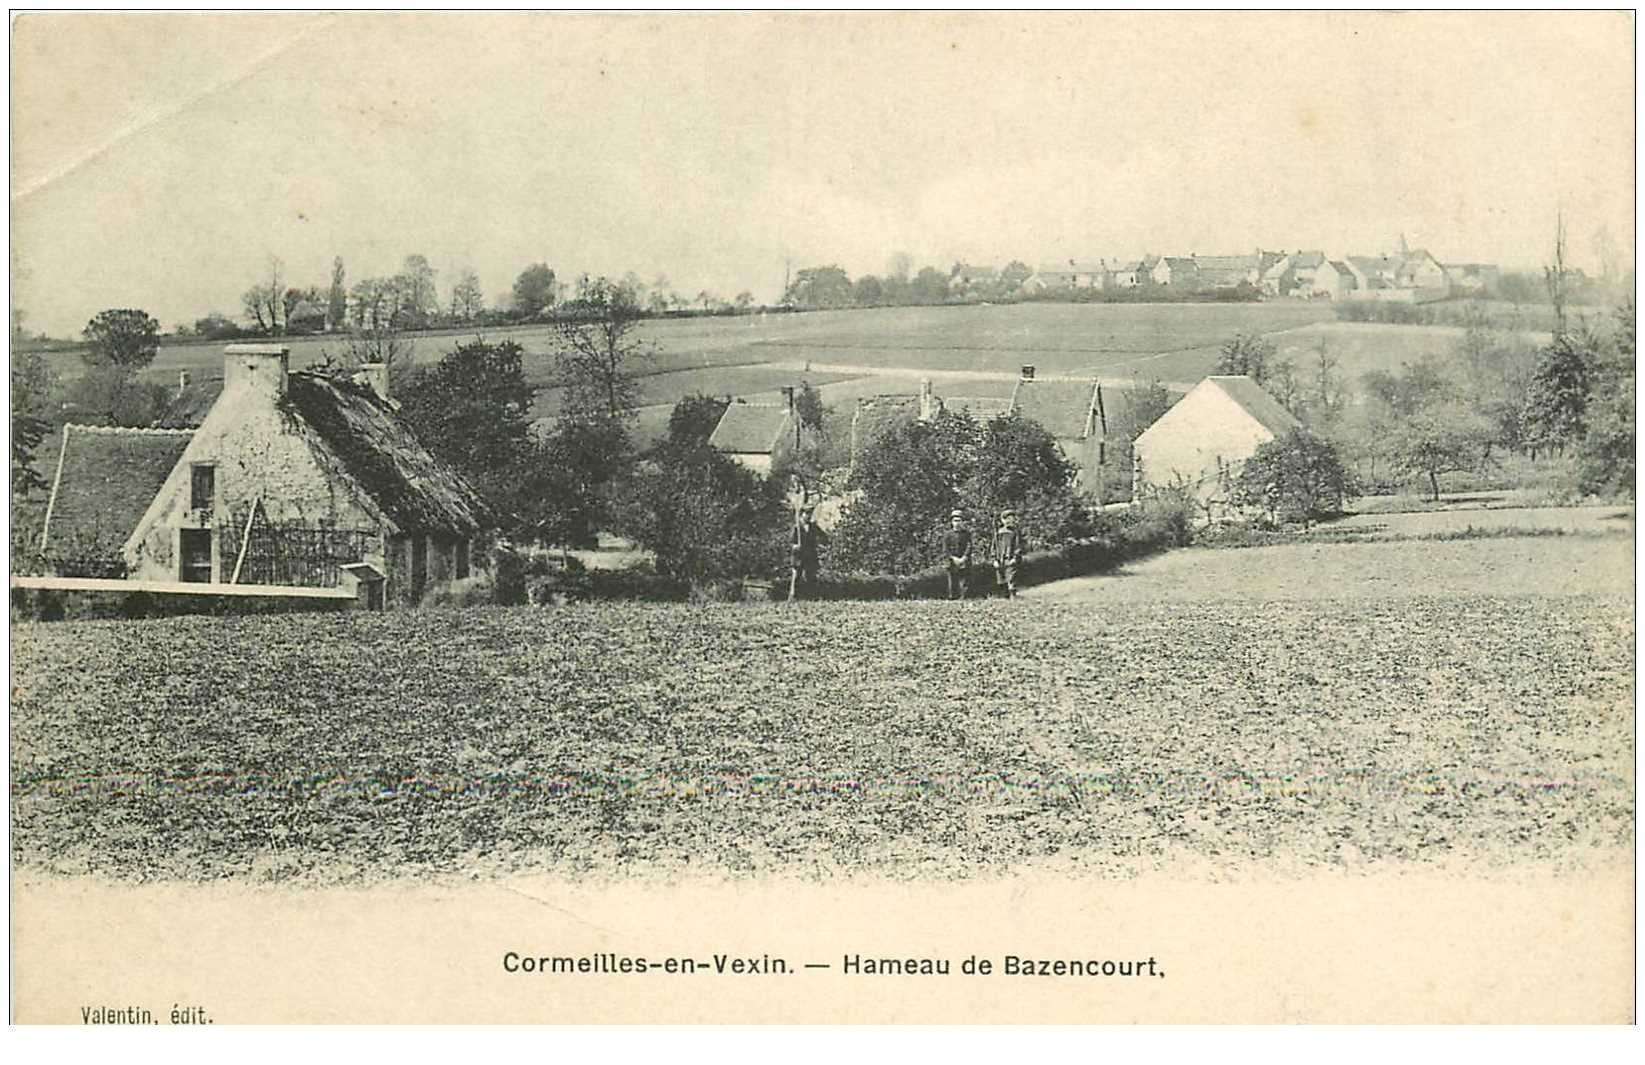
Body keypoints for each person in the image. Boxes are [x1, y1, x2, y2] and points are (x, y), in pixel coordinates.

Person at [789, 505, 826, 600]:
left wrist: (822, 543)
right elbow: (791, 542)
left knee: (810, 576)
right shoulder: (796, 527)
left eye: (810, 514)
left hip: (810, 555)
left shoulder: (813, 526)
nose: (808, 516)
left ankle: (811, 596)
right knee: (797, 576)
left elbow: (823, 536)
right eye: (807, 514)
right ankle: (793, 597)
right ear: (802, 515)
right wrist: (795, 546)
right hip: (799, 555)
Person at [992, 508, 1023, 599]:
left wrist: (1015, 557)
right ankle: (1005, 597)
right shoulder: (998, 533)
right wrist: (994, 559)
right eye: (1007, 519)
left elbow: (1018, 547)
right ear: (1003, 520)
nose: (1009, 521)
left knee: (1011, 577)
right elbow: (994, 547)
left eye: (1011, 519)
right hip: (1000, 559)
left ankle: (1012, 595)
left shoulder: (1015, 533)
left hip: (1010, 558)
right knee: (1001, 579)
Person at [942, 509, 972, 600]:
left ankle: (963, 596)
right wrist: (953, 558)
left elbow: (969, 546)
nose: (957, 523)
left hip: (964, 559)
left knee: (964, 580)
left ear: (962, 522)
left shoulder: (966, 534)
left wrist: (964, 557)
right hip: (951, 561)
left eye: (959, 521)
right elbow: (945, 549)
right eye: (955, 521)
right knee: (952, 579)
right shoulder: (947, 534)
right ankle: (952, 596)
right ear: (952, 522)